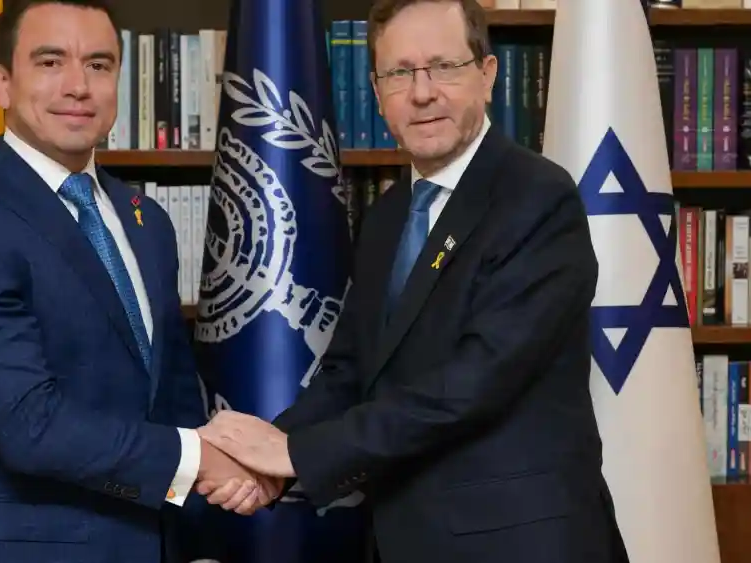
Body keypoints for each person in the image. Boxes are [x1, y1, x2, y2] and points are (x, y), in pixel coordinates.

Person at [197, 1, 632, 562]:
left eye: (444, 66)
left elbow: (473, 384)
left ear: (488, 75)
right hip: (403, 538)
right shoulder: (386, 215)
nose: (422, 92)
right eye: (399, 73)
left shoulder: (538, 198)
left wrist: (295, 454)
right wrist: (264, 458)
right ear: (377, 92)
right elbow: (350, 370)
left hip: (517, 542)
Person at [0, 1, 273, 562]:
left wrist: (201, 531)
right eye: (50, 62)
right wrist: (201, 458)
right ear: (2, 83)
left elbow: (170, 400)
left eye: (99, 65)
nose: (78, 86)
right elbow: (29, 425)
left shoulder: (147, 222)